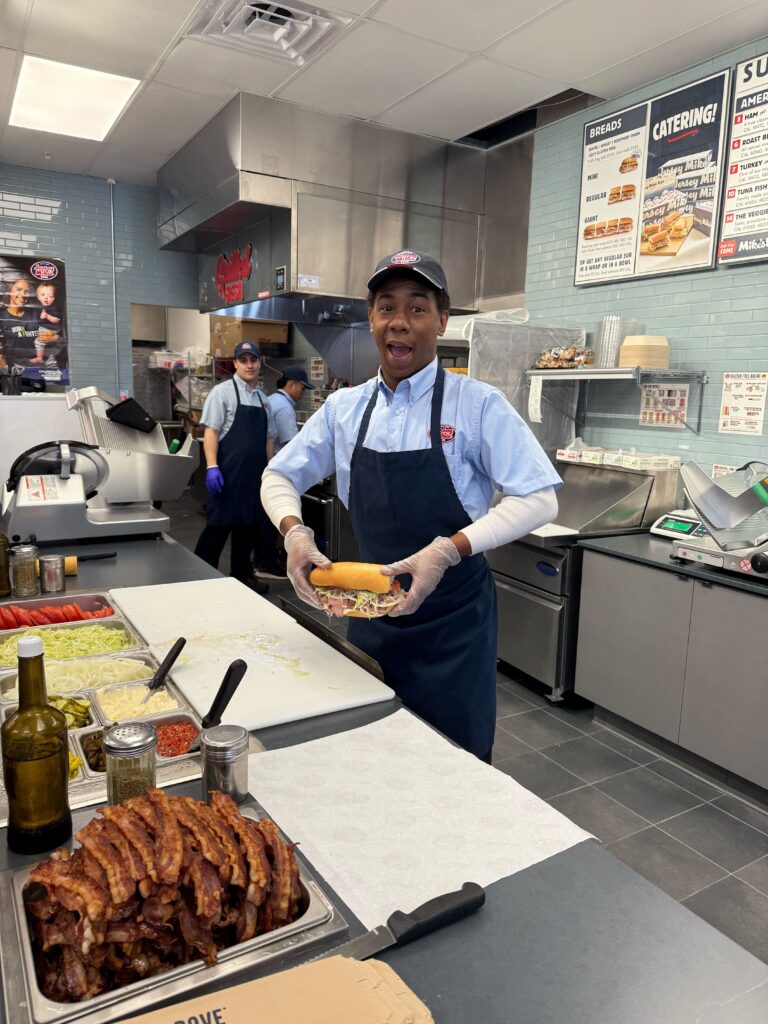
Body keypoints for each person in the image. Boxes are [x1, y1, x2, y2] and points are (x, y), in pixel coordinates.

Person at [260, 250, 561, 761]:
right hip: (370, 614)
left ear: (442, 320)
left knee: (456, 759)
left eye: (417, 308)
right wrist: (294, 533)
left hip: (454, 624)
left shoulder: (478, 404)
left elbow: (539, 498)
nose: (399, 323)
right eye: (386, 307)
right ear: (371, 318)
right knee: (374, 751)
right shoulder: (344, 409)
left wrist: (447, 549)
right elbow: (279, 474)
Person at [194, 340, 277, 594]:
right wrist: (211, 467)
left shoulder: (264, 399)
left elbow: (268, 439)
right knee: (218, 528)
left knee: (248, 528)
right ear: (236, 364)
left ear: (260, 362)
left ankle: (242, 576)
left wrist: (271, 472)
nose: (249, 365)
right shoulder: (222, 392)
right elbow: (211, 432)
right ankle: (199, 576)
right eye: (244, 360)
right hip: (227, 475)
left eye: (254, 360)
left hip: (254, 477)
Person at [0, 277, 59, 370]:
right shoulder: (2, 316)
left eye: (26, 292)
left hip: (47, 365)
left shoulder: (38, 313)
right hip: (19, 366)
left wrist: (52, 337)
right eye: (18, 289)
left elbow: (59, 338)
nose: (23, 294)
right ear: (10, 291)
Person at [269, 365, 315, 454]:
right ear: (292, 384)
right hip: (276, 461)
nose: (303, 392)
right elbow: (292, 444)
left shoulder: (272, 398)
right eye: (302, 388)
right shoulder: (285, 407)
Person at [32, 283, 62, 364]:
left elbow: (57, 320)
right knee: (39, 341)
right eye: (43, 295)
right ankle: (43, 357)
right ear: (38, 297)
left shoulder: (54, 308)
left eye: (50, 296)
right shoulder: (39, 308)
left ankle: (39, 358)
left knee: (39, 342)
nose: (46, 297)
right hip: (43, 328)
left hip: (52, 329)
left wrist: (47, 316)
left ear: (54, 298)